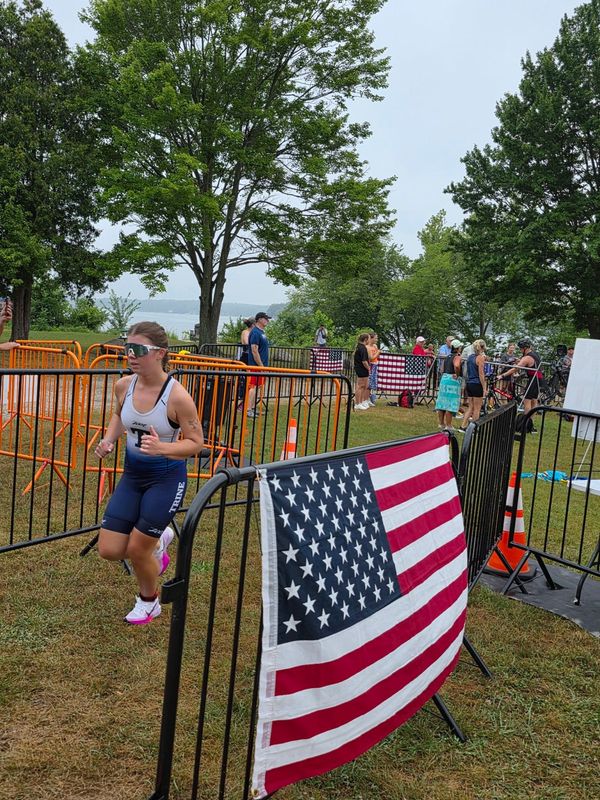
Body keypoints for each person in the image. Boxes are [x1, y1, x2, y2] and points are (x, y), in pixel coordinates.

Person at [94, 321, 204, 625]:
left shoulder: (178, 397)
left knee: (136, 549)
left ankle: (149, 601)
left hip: (166, 479)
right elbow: (119, 415)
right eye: (127, 348)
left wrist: (164, 449)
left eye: (138, 349)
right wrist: (108, 439)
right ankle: (160, 541)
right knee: (110, 549)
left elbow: (197, 444)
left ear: (160, 354)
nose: (130, 355)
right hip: (132, 477)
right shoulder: (124, 385)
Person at [502, 338, 543, 418]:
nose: (520, 350)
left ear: (524, 348)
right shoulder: (535, 354)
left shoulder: (527, 357)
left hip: (533, 379)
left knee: (527, 400)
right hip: (539, 378)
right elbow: (528, 362)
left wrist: (503, 375)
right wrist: (520, 360)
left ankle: (526, 421)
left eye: (520, 349)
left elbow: (515, 369)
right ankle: (531, 422)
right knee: (534, 401)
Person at [459, 339, 487, 432]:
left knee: (470, 407)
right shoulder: (480, 358)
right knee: (477, 409)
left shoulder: (470, 357)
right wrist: (484, 387)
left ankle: (463, 426)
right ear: (482, 348)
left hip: (469, 383)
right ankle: (474, 429)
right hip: (476, 383)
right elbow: (481, 374)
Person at [435, 340, 463, 430]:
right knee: (450, 403)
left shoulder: (447, 356)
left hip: (444, 378)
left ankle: (441, 423)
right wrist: (457, 374)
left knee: (442, 402)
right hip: (452, 381)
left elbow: (442, 368)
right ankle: (449, 425)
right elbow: (457, 365)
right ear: (458, 348)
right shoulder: (457, 357)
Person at [247, 311, 271, 417]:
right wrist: (260, 365)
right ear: (260, 319)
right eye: (266, 319)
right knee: (253, 386)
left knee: (258, 386)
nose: (268, 321)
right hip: (255, 365)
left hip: (261, 365)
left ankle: (252, 408)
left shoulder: (261, 332)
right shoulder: (256, 332)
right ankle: (248, 409)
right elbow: (254, 350)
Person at [353, 333, 371, 410]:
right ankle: (357, 403)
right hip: (362, 368)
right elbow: (364, 361)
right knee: (360, 386)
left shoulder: (359, 347)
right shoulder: (362, 348)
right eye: (369, 339)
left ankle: (360, 402)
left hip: (360, 368)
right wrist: (368, 368)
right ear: (366, 339)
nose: (369, 340)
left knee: (364, 386)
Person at [367, 331, 381, 406]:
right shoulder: (368, 347)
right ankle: (368, 398)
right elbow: (371, 358)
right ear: (371, 338)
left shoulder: (375, 346)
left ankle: (373, 399)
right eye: (375, 338)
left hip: (375, 365)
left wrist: (377, 352)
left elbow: (376, 357)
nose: (377, 340)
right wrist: (378, 352)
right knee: (369, 382)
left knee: (374, 383)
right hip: (371, 365)